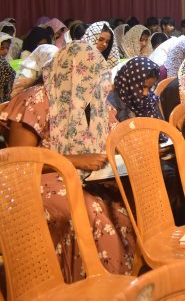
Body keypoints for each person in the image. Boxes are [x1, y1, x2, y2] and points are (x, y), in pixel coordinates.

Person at [0, 41, 136, 279]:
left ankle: (118, 282)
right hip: (39, 180)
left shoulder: (93, 102)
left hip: (85, 177)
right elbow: (18, 163)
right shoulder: (37, 99)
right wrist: (74, 160)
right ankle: (88, 284)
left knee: (122, 207)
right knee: (93, 214)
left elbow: (114, 137)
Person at [107, 57, 162, 122]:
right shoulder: (112, 106)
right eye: (142, 87)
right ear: (129, 81)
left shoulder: (150, 99)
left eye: (150, 88)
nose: (146, 93)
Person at [0, 32, 15, 102]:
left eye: (7, 48)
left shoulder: (7, 60)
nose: (6, 51)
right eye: (2, 48)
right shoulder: (3, 63)